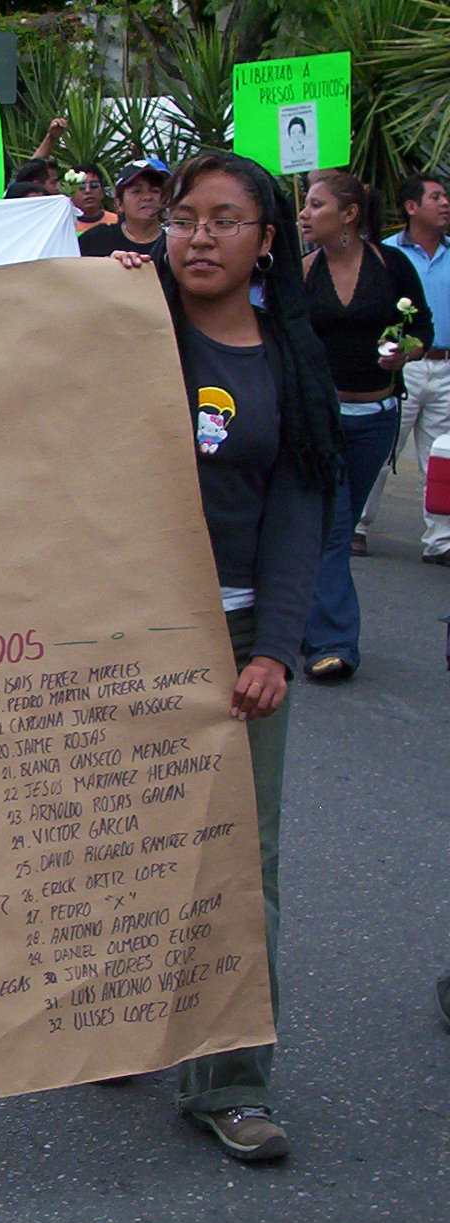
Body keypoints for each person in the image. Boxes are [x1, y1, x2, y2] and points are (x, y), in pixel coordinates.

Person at [112, 151, 339, 1163]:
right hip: (125, 635)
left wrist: (277, 649)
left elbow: (300, 513)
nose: (197, 235)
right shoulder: (124, 329)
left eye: (222, 218)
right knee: (126, 842)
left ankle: (231, 1080)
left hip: (238, 641)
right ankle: (121, 1018)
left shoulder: (287, 362)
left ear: (267, 241)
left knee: (240, 867)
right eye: (183, 217)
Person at [297, 171, 430, 680]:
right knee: (335, 528)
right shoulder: (304, 270)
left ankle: (298, 618)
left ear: (349, 214)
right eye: (306, 204)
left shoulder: (391, 265)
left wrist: (405, 353)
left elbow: (421, 327)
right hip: (320, 419)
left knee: (334, 525)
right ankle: (333, 644)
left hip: (377, 419)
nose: (305, 214)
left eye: (317, 205)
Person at [356, 174, 450, 564]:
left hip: (446, 366)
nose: (445, 203)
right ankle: (356, 526)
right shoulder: (387, 255)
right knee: (383, 449)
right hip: (401, 366)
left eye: (445, 197)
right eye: (436, 197)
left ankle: (442, 541)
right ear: (411, 207)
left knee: (442, 456)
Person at [79, 159, 167, 257]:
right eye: (137, 191)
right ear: (119, 203)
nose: (147, 197)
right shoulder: (96, 238)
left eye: (155, 191)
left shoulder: (172, 241)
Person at [68, 163, 116, 232]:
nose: (88, 190)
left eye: (94, 185)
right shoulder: (64, 226)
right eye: (81, 186)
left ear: (102, 191)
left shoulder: (117, 223)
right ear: (71, 193)